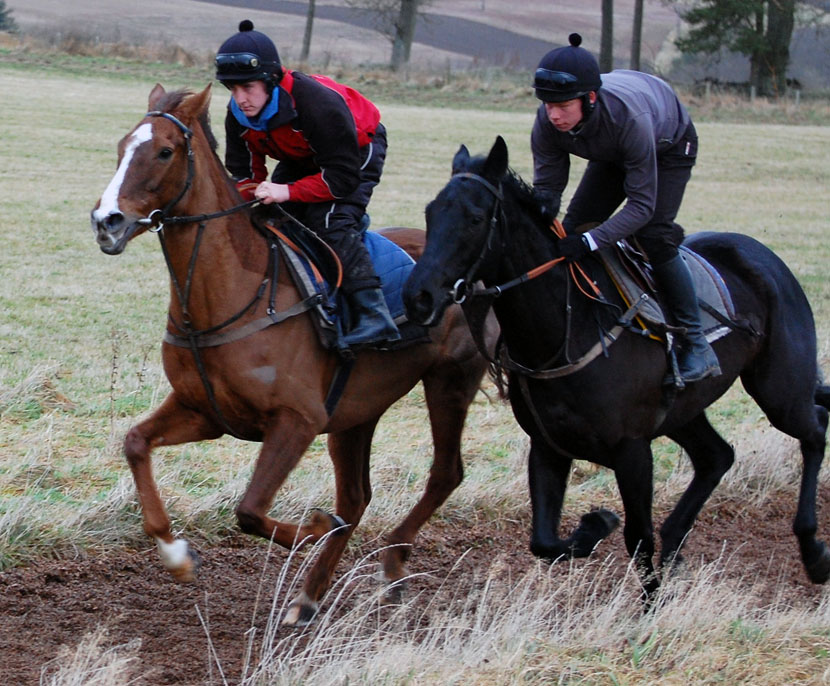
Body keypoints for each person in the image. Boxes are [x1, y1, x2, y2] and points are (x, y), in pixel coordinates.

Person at [530, 33, 721, 384]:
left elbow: (642, 206)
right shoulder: (546, 122)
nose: (553, 115)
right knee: (573, 227)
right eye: (547, 105)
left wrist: (590, 242)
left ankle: (696, 344)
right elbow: (547, 191)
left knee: (653, 236)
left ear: (589, 98)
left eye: (562, 106)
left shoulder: (629, 120)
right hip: (612, 152)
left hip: (669, 145)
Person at [215, 20, 399, 349]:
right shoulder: (238, 116)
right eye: (233, 89)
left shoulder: (315, 103)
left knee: (330, 221)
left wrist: (285, 191)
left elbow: (342, 179)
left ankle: (375, 315)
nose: (240, 99)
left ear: (271, 80)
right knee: (273, 217)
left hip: (355, 151)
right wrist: (249, 198)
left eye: (248, 88)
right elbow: (244, 174)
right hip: (305, 155)